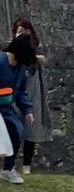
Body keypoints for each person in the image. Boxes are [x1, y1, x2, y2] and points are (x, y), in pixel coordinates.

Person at [11, 17, 51, 174]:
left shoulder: (36, 46)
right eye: (18, 31)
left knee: (32, 126)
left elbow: (43, 59)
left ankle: (26, 165)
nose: (21, 34)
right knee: (12, 124)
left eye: (24, 30)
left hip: (33, 86)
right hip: (16, 86)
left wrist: (33, 57)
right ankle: (10, 163)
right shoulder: (13, 47)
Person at [0, 37, 34, 185]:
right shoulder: (1, 61)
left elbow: (20, 91)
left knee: (16, 130)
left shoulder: (21, 68)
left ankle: (8, 169)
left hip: (6, 107)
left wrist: (27, 110)